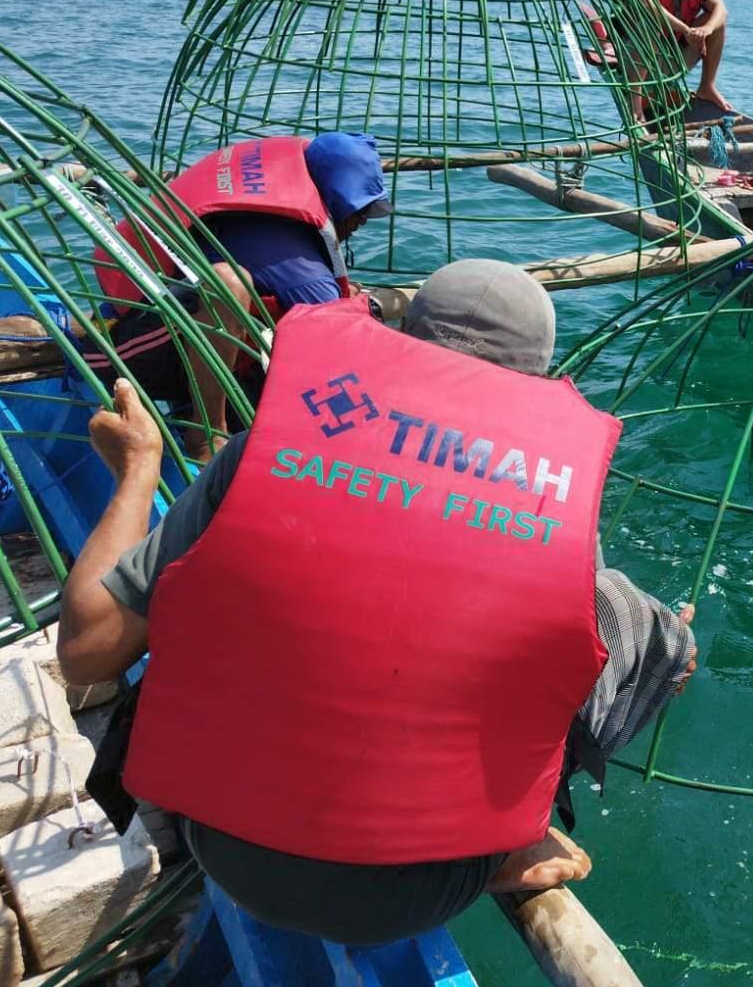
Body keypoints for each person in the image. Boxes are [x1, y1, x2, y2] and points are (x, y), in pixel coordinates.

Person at [57, 259, 697, 945]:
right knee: (640, 622)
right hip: (421, 891)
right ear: (538, 378)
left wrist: (138, 470)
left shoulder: (263, 453)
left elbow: (87, 653)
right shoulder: (555, 502)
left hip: (223, 843)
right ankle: (511, 841)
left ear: (402, 339)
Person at [83, 132, 391, 460]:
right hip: (137, 341)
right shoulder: (300, 267)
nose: (361, 221)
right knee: (229, 283)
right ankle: (205, 432)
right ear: (337, 200)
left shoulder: (277, 206)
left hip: (164, 304)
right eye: (360, 210)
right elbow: (339, 349)